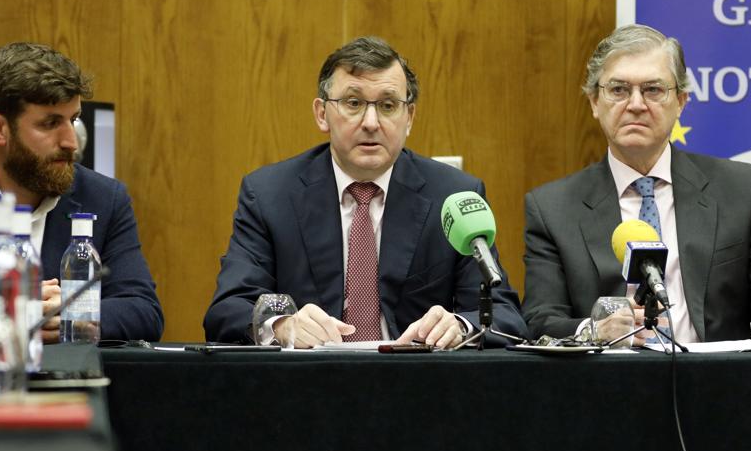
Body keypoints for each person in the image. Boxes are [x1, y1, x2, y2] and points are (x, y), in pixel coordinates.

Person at [204, 36, 525, 348]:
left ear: (409, 117)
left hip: (417, 378)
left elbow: (504, 315)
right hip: (307, 378)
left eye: (388, 105)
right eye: (354, 103)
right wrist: (281, 326)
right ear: (322, 114)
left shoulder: (452, 196)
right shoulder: (270, 195)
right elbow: (228, 310)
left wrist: (459, 326)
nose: (371, 122)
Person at [522, 24, 751, 349]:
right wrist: (596, 330)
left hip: (715, 375)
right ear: (594, 102)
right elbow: (539, 319)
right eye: (618, 90)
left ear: (680, 102)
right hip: (609, 377)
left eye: (653, 90)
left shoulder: (738, 189)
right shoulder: (553, 209)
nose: (636, 104)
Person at [0, 42, 164, 342]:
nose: (71, 142)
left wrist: (75, 314)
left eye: (73, 120)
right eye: (50, 123)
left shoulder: (104, 198)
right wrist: (4, 305)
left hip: (72, 371)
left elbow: (143, 310)